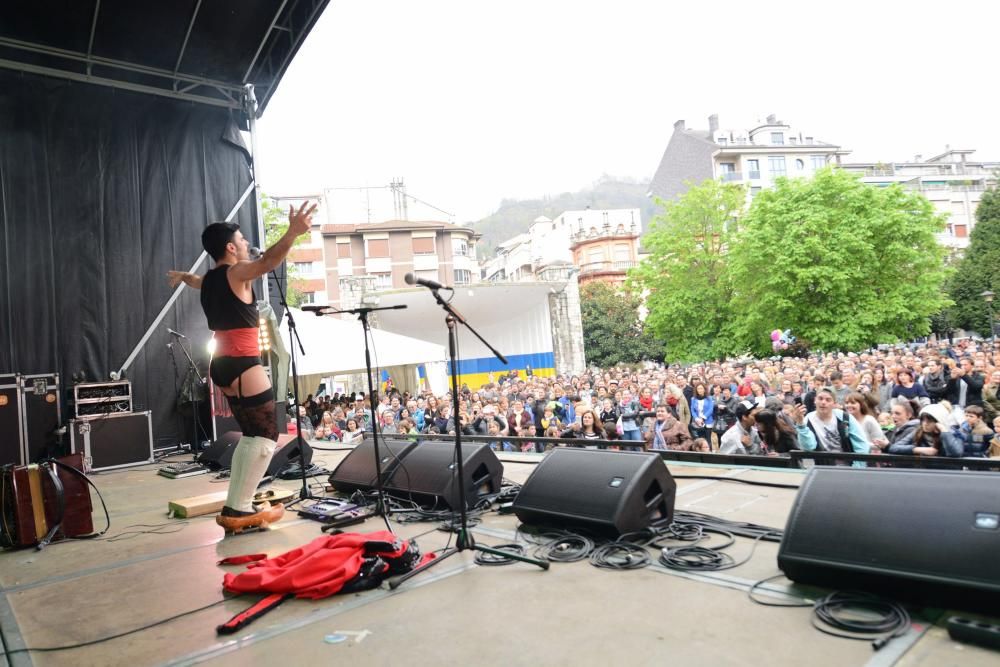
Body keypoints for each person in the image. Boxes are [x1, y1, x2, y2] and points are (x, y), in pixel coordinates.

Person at [167, 201, 315, 533]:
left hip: (221, 364)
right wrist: (292, 232)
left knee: (252, 436)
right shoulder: (236, 272)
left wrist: (182, 276)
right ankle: (240, 509)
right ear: (231, 248)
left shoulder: (208, 280)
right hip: (245, 362)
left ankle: (236, 508)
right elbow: (269, 261)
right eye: (243, 239)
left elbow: (195, 280)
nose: (247, 243)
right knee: (265, 438)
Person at [792, 387, 871, 466]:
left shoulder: (845, 417)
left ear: (834, 403)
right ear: (815, 400)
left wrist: (857, 467)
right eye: (820, 398)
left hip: (849, 466)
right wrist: (801, 424)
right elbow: (809, 447)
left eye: (828, 400)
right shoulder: (807, 420)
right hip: (823, 467)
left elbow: (861, 444)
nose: (823, 402)